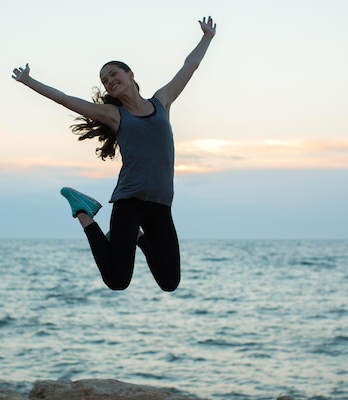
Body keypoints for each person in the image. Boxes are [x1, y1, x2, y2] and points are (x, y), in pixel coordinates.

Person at [12, 16, 216, 291]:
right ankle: (84, 212)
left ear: (130, 75)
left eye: (113, 74)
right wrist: (28, 80)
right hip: (129, 201)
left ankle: (138, 237)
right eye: (104, 80)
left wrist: (207, 37)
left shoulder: (161, 101)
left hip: (160, 203)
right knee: (117, 281)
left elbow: (189, 67)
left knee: (170, 282)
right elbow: (65, 99)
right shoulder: (114, 115)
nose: (109, 81)